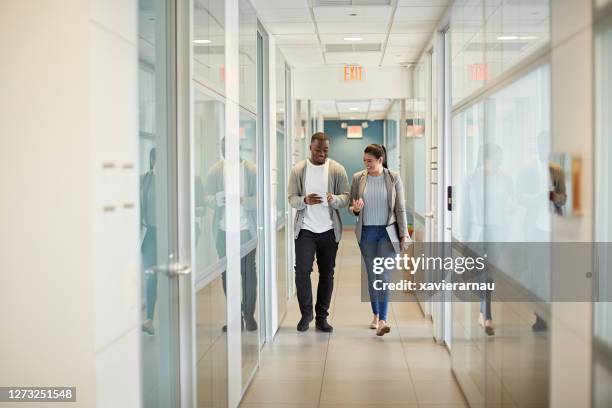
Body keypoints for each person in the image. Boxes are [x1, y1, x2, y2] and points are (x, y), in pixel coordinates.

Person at [288, 132, 350, 332]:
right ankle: (306, 315)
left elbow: (346, 197)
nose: (322, 153)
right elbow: (291, 198)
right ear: (310, 148)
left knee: (327, 274)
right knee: (302, 271)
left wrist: (335, 200)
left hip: (329, 231)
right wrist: (304, 201)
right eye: (318, 150)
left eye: (325, 150)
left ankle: (322, 317)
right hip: (305, 228)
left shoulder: (337, 169)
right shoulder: (298, 170)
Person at [349, 144, 410, 336]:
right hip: (366, 233)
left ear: (380, 160)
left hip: (387, 232)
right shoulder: (358, 178)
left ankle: (383, 320)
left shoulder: (393, 177)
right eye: (364, 161)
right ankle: (375, 314)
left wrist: (404, 234)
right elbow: (351, 207)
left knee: (383, 276)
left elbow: (400, 208)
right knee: (372, 276)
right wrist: (356, 209)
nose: (366, 164)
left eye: (370, 161)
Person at [204, 139, 258, 332]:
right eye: (224, 149)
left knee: (248, 275)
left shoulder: (251, 170)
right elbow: (206, 197)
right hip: (223, 231)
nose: (227, 152)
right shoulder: (215, 170)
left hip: (246, 230)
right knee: (228, 276)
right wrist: (216, 200)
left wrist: (243, 200)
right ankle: (235, 317)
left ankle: (249, 315)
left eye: (231, 149)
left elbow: (261, 199)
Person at [141, 147, 158, 335]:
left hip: (170, 233)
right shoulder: (144, 179)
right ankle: (149, 319)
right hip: (150, 233)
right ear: (152, 160)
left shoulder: (173, 179)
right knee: (151, 275)